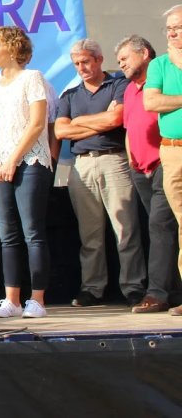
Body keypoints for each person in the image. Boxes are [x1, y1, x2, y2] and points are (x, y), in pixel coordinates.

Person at [56, 38, 145, 309]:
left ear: (98, 59)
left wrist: (79, 123)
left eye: (85, 62)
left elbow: (116, 119)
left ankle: (133, 287)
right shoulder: (70, 95)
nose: (81, 68)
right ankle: (92, 288)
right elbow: (61, 131)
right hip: (82, 164)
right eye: (76, 64)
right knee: (90, 234)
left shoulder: (118, 84)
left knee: (126, 230)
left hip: (114, 160)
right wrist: (96, 123)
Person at [0, 26, 55, 318]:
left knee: (33, 232)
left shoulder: (32, 78)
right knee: (7, 234)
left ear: (12, 48)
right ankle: (11, 299)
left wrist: (13, 158)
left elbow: (37, 124)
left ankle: (37, 300)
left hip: (30, 162)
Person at [117, 35, 181, 313]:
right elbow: (130, 127)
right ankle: (174, 292)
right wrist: (132, 157)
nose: (120, 65)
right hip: (139, 169)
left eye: (124, 59)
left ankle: (157, 294)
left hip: (162, 163)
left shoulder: (163, 80)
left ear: (144, 54)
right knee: (158, 230)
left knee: (160, 227)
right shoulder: (129, 89)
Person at [142, 5, 182, 316]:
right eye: (169, 27)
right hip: (174, 152)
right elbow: (151, 101)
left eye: (178, 27)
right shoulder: (159, 65)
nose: (172, 32)